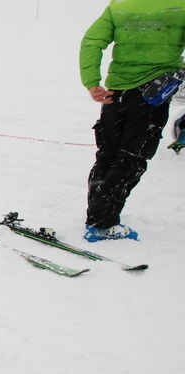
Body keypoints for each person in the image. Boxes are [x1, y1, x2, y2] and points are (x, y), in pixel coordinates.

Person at [79, 0, 185, 242]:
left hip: (116, 93)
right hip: (153, 94)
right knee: (131, 158)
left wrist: (92, 81)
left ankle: (97, 216)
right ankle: (102, 224)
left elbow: (91, 41)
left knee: (108, 154)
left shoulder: (119, 5)